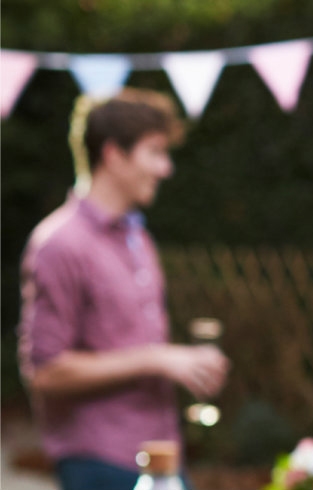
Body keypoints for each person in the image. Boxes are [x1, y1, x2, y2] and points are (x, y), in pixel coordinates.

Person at [16, 88, 230, 490]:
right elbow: (45, 372)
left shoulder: (136, 237)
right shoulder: (59, 243)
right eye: (154, 152)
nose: (165, 168)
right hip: (100, 459)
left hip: (160, 455)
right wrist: (157, 358)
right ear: (113, 155)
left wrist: (182, 363)